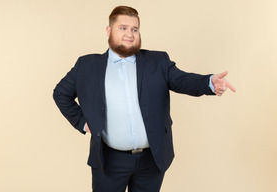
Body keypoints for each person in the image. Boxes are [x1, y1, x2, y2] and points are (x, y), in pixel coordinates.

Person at [53, 5, 236, 192]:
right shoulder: (87, 65)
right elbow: (60, 93)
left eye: (134, 29)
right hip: (108, 161)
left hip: (152, 161)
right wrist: (83, 123)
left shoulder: (158, 61)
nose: (129, 34)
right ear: (109, 30)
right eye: (123, 28)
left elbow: (183, 80)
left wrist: (209, 82)